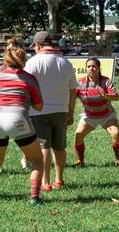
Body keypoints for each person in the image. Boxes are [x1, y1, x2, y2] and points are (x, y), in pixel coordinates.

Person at [0, 39, 45, 205]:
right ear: (24, 61)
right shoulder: (29, 78)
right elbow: (39, 106)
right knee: (37, 160)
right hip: (17, 117)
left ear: (6, 60)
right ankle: (34, 198)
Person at [24, 31, 77, 191]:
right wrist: (71, 111)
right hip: (61, 110)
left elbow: (25, 87)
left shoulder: (33, 62)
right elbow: (73, 90)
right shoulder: (65, 62)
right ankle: (59, 180)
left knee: (43, 146)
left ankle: (45, 183)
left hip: (38, 110)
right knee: (60, 147)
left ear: (38, 45)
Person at [73, 57, 119, 167]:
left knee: (116, 133)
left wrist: (106, 95)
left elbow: (116, 97)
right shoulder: (79, 83)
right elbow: (72, 97)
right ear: (86, 69)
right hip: (89, 116)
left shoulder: (106, 81)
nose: (91, 68)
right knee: (78, 135)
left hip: (107, 115)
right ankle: (80, 161)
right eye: (89, 66)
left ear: (99, 68)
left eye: (94, 66)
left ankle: (118, 160)